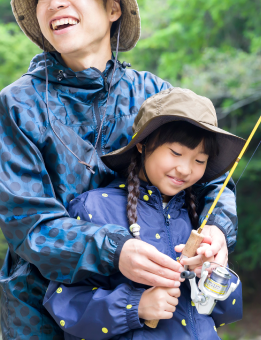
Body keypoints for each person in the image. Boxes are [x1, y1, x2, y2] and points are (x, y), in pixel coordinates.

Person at [0, 0, 239, 338]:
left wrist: (218, 230)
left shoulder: (156, 95)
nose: (55, 3)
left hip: (158, 318)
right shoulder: (17, 104)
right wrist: (115, 249)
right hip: (39, 313)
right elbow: (27, 221)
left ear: (113, 9)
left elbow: (214, 181)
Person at [43, 87, 244, 339]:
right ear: (142, 145)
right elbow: (64, 304)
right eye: (176, 153)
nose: (185, 169)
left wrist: (213, 275)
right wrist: (135, 306)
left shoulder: (199, 215)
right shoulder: (94, 208)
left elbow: (228, 313)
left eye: (199, 160)